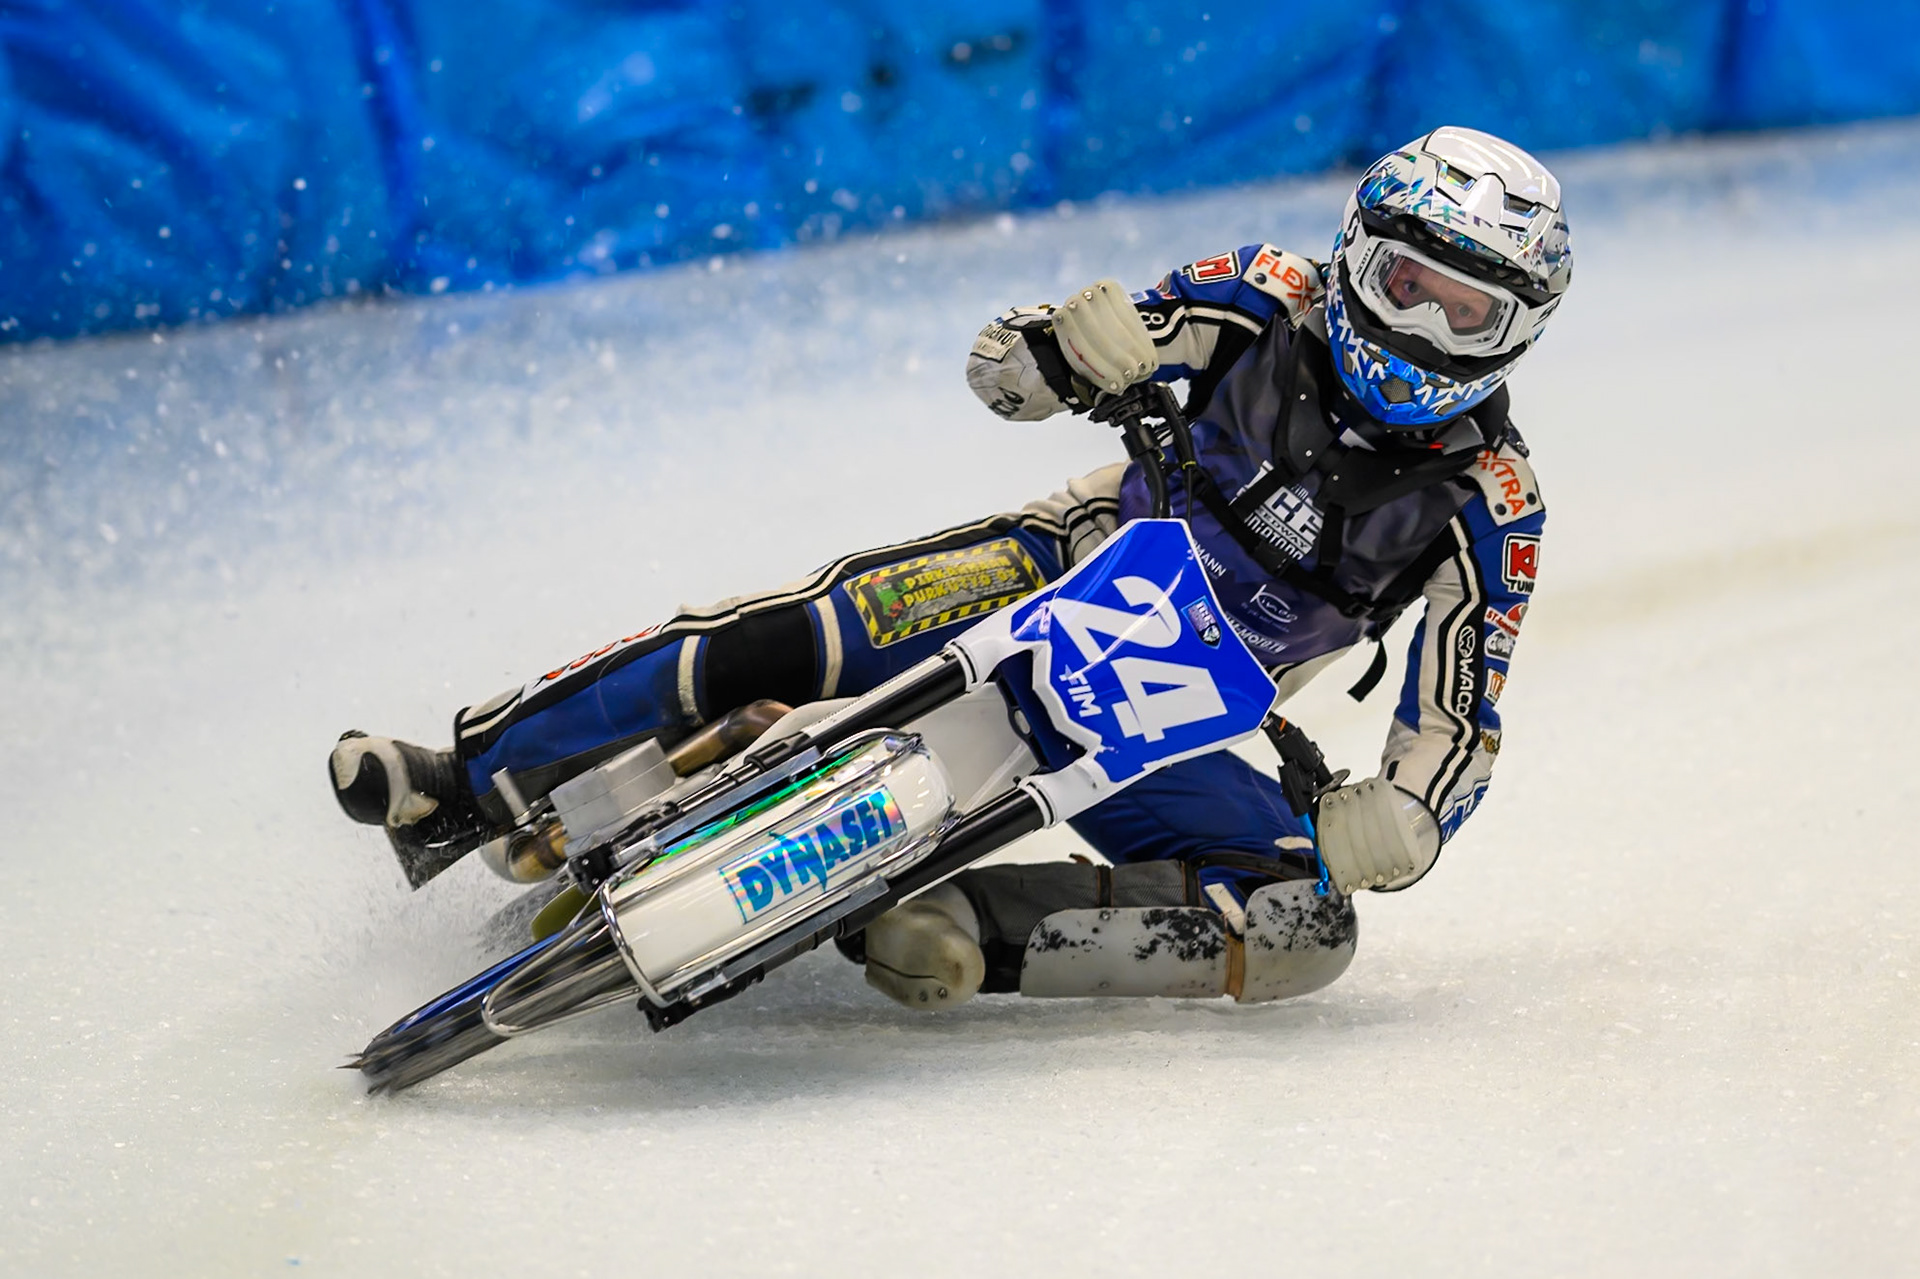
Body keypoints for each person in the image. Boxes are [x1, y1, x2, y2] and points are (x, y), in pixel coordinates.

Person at [331, 125, 1570, 1009]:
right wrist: (1062, 351)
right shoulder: (1261, 296)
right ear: (1358, 251)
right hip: (1060, 562)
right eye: (1410, 284)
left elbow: (1461, 708)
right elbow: (1014, 364)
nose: (1421, 329)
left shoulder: (1491, 505)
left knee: (1308, 922)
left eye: (1469, 314)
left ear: (1518, 334)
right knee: (795, 631)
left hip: (1176, 714)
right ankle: (467, 776)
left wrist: (1409, 816)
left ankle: (963, 925)